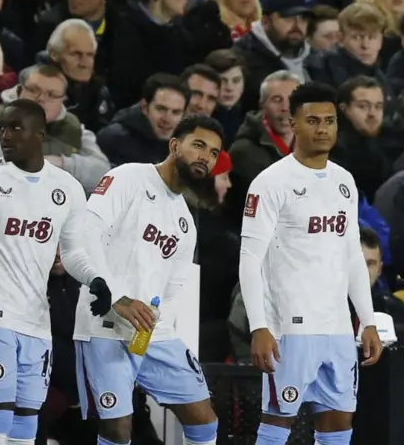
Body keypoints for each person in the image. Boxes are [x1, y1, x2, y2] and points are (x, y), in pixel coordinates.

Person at [0, 98, 112, 445]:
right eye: (3, 128)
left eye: (16, 127)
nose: (6, 135)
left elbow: (72, 252)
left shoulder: (68, 189)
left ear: (40, 134)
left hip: (35, 319)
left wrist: (95, 279)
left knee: (26, 425)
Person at [238, 81, 383, 445]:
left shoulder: (344, 182)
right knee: (277, 424)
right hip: (289, 326)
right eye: (313, 121)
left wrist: (366, 320)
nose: (323, 129)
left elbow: (352, 254)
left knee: (338, 425)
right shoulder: (271, 182)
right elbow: (250, 258)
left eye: (330, 121)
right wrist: (259, 326)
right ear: (294, 123)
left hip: (336, 327)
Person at [73, 115, 224, 445]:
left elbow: (171, 292)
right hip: (103, 327)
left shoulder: (185, 221)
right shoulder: (127, 177)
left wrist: (155, 323)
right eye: (198, 145)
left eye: (213, 153)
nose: (205, 157)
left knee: (204, 419)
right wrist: (117, 296)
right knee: (116, 428)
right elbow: (86, 235)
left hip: (152, 335)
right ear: (174, 145)